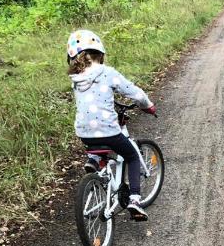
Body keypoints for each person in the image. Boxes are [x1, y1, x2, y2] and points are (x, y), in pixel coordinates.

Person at [67, 29, 157, 221]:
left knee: (97, 140)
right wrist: (148, 106)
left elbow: (91, 104)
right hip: (108, 131)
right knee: (132, 155)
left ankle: (93, 160)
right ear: (100, 53)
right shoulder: (107, 73)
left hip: (83, 132)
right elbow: (137, 94)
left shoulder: (75, 79)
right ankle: (134, 199)